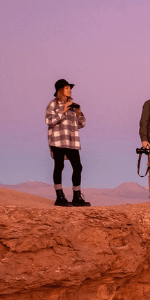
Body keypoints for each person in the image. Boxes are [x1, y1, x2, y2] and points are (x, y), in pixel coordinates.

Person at [45, 78, 90, 207]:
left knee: (78, 167)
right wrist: (63, 110)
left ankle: (76, 196)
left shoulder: (73, 105)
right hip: (58, 140)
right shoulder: (53, 104)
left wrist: (80, 113)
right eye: (66, 88)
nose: (69, 90)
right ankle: (59, 197)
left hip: (72, 142)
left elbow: (81, 124)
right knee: (59, 167)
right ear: (60, 90)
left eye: (70, 88)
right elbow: (49, 120)